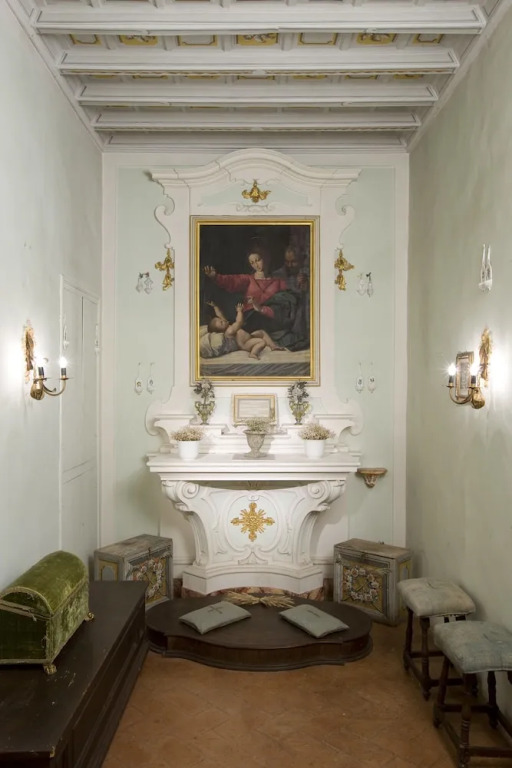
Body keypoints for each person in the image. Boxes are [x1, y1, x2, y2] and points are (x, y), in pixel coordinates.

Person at [206, 301, 283, 359]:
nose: (223, 321)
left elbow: (220, 315)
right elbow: (239, 322)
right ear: (220, 331)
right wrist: (239, 311)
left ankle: (273, 346)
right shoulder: (229, 331)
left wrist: (215, 307)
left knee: (262, 332)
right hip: (245, 344)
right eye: (221, 323)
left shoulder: (225, 325)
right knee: (262, 342)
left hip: (249, 337)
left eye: (221, 320)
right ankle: (253, 353)